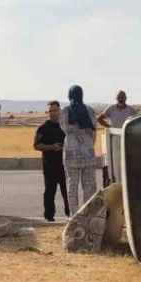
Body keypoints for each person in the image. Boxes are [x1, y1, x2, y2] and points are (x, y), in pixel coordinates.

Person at [61, 85, 100, 213]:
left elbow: (64, 128)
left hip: (70, 152)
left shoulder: (65, 111)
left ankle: (74, 215)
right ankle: (89, 214)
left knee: (72, 186)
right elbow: (94, 131)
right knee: (89, 186)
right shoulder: (90, 110)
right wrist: (88, 145)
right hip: (87, 150)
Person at [33, 100, 69, 222]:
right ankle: (49, 216)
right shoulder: (43, 128)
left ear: (60, 110)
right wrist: (51, 147)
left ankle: (70, 214)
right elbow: (37, 145)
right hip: (50, 166)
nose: (52, 113)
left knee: (68, 191)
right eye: (50, 111)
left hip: (66, 165)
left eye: (55, 110)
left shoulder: (66, 126)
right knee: (49, 192)